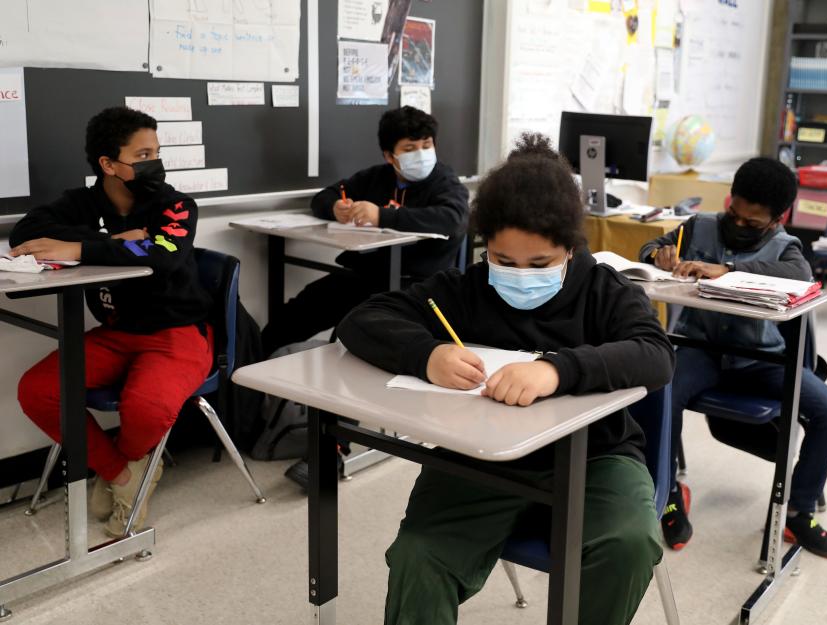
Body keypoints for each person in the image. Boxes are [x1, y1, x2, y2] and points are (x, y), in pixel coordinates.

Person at [336, 134, 676, 625]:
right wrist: (426, 354)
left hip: (594, 457)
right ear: (484, 247)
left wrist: (555, 370)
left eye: (539, 265)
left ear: (571, 247)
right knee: (419, 554)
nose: (520, 275)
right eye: (503, 261)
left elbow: (655, 354)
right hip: (480, 459)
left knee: (629, 542)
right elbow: (363, 318)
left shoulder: (604, 290)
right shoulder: (467, 289)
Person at [10, 106, 213, 537]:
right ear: (108, 164)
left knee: (145, 407)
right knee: (38, 390)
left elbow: (164, 255)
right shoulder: (81, 203)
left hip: (177, 331)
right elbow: (25, 234)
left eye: (156, 152)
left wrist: (79, 250)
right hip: (117, 332)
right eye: (142, 154)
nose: (154, 162)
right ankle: (124, 475)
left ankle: (121, 470)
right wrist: (108, 241)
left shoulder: (175, 204)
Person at [640, 157, 827, 559]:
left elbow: (801, 276)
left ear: (777, 219)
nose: (737, 225)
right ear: (730, 199)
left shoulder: (786, 248)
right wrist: (659, 255)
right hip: (702, 351)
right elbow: (650, 247)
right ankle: (667, 495)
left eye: (752, 223)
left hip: (760, 360)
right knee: (659, 393)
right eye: (734, 213)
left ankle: (798, 512)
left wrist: (728, 269)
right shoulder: (700, 226)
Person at [260, 106, 469, 356]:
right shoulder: (375, 178)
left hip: (418, 285)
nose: (421, 154)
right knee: (296, 313)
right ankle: (249, 370)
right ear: (390, 156)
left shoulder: (445, 182)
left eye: (426, 145)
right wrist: (335, 207)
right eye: (410, 149)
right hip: (366, 276)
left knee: (361, 333)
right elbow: (324, 196)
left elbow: (452, 218)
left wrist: (381, 215)